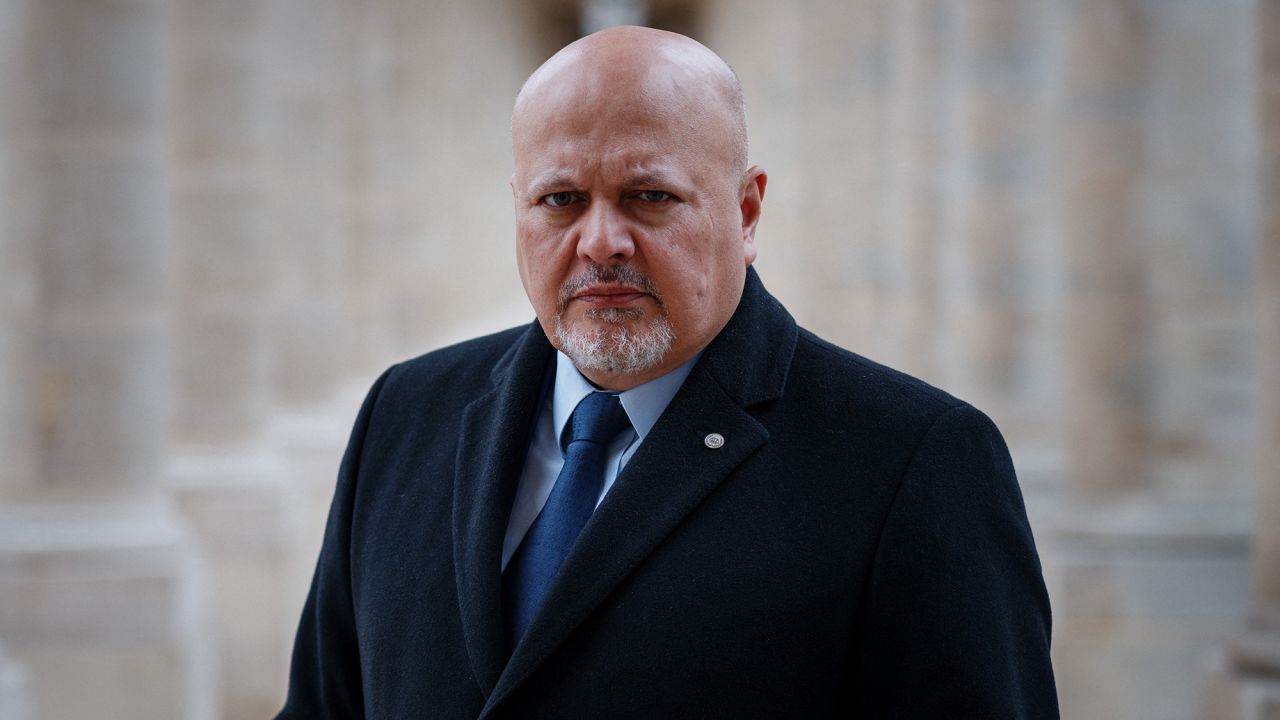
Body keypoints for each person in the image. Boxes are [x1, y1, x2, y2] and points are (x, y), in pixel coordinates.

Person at [278, 26, 1059, 719]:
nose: (600, 241)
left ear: (747, 212)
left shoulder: (914, 463)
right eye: (560, 199)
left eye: (649, 196)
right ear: (518, 208)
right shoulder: (405, 413)